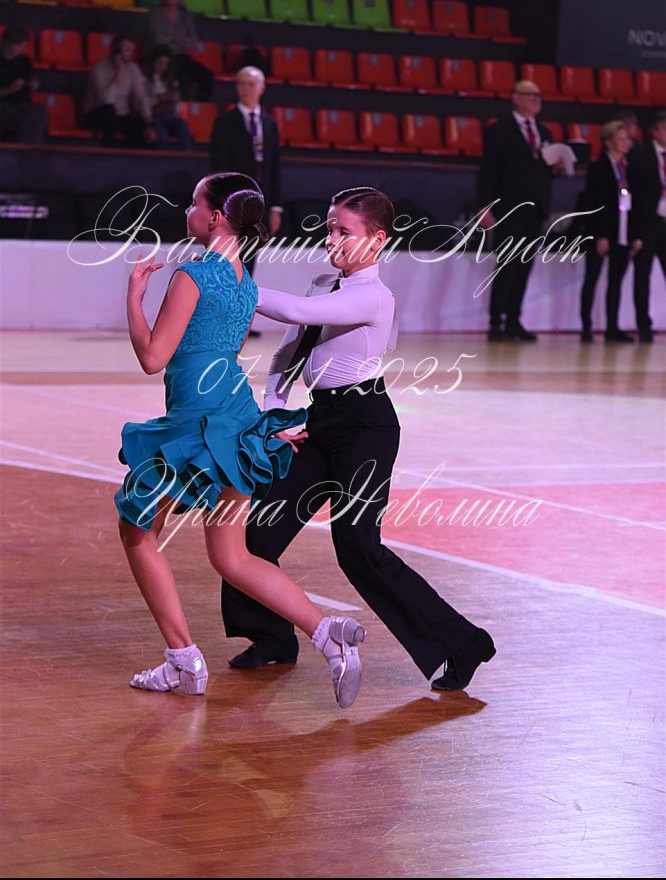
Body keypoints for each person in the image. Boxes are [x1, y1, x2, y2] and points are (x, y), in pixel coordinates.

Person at [221, 187, 496, 694]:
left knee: (358, 549)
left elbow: (297, 313)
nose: (332, 239)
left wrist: (231, 281)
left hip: (366, 426)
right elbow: (288, 352)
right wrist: (273, 413)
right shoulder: (324, 283)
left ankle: (462, 643)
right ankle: (271, 636)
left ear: (377, 239)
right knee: (258, 533)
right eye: (329, 228)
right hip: (320, 422)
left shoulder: (374, 296)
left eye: (344, 231)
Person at [114, 173, 367, 709]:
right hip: (236, 418)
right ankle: (327, 634)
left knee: (137, 529)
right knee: (231, 556)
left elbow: (153, 358)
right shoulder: (244, 282)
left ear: (214, 218)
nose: (187, 211)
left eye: (193, 203)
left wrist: (133, 298)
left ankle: (183, 660)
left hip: (197, 423)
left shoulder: (193, 275)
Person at [478, 80, 555, 342]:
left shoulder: (544, 131)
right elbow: (489, 170)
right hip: (509, 207)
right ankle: (496, 321)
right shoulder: (499, 129)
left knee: (524, 265)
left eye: (539, 95)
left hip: (535, 207)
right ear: (516, 97)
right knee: (506, 265)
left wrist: (557, 166)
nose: (536, 100)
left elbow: (543, 172)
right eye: (530, 95)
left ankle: (514, 319)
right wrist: (484, 206)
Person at [579, 121, 643, 343]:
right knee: (592, 278)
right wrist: (600, 235)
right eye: (621, 139)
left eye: (628, 139)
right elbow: (595, 203)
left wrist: (636, 235)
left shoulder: (630, 168)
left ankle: (612, 326)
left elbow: (637, 204)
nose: (626, 143)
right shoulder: (599, 168)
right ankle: (586, 326)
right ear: (608, 142)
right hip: (603, 231)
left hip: (623, 229)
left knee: (615, 281)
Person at [210, 66, 283, 245]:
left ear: (261, 87)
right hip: (234, 200)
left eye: (251, 84)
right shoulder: (225, 122)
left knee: (252, 250)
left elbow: (274, 166)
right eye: (242, 84)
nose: (246, 89)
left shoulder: (270, 124)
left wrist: (275, 207)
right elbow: (219, 165)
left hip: (261, 199)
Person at [82, 35, 158, 148]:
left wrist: (149, 124)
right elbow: (107, 101)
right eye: (128, 50)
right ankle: (110, 152)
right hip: (97, 113)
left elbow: (140, 97)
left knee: (144, 135)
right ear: (116, 51)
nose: (131, 54)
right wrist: (118, 72)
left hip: (121, 114)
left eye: (132, 50)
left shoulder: (133, 69)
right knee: (109, 112)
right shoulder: (99, 69)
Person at [632, 110, 666, 343]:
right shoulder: (641, 155)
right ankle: (643, 324)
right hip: (648, 222)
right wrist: (636, 231)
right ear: (655, 131)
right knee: (642, 273)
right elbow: (636, 193)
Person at [148, 0, 213, 101]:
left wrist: (172, 36)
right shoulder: (155, 14)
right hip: (163, 56)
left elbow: (192, 42)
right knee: (182, 80)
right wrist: (180, 39)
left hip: (181, 56)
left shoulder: (185, 17)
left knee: (207, 77)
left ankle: (199, 107)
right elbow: (159, 40)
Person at [0, 25, 47, 143]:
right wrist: (10, 89)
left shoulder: (24, 61)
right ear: (8, 44)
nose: (22, 49)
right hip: (2, 105)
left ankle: (27, 149)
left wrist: (33, 88)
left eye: (24, 45)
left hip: (20, 106)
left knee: (38, 111)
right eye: (19, 45)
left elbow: (28, 94)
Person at [143, 44, 193, 150]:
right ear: (153, 61)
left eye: (166, 64)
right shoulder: (144, 79)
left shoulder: (170, 80)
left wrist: (173, 99)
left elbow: (175, 102)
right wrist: (161, 99)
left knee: (182, 125)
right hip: (154, 117)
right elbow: (143, 102)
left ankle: (187, 156)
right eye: (160, 62)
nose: (162, 66)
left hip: (169, 116)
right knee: (161, 135)